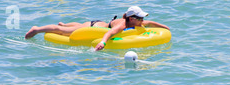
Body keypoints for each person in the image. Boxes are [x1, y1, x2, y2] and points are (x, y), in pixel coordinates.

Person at [25, 6, 169, 51]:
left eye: (142, 18)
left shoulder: (137, 23)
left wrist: (165, 28)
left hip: (100, 23)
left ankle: (65, 24)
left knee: (73, 26)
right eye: (140, 18)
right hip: (93, 27)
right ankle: (37, 29)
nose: (142, 20)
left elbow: (150, 23)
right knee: (62, 31)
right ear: (131, 18)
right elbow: (111, 33)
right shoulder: (123, 25)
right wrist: (103, 43)